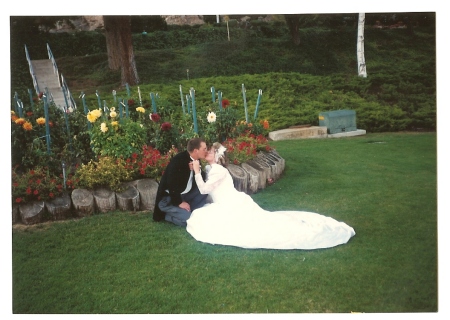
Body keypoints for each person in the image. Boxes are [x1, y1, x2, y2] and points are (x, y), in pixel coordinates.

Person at [186, 142, 356, 250]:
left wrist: (196, 172)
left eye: (210, 151)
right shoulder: (212, 169)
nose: (207, 152)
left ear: (217, 156)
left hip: (231, 204)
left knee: (258, 229)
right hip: (227, 202)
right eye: (207, 150)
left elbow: (203, 190)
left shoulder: (218, 171)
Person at [153, 138, 209, 226]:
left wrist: (197, 170)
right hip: (168, 200)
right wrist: (179, 202)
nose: (206, 151)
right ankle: (166, 215)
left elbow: (201, 179)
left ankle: (191, 210)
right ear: (196, 150)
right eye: (204, 149)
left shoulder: (196, 160)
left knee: (205, 190)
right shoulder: (178, 160)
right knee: (189, 220)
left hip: (184, 195)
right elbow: (171, 184)